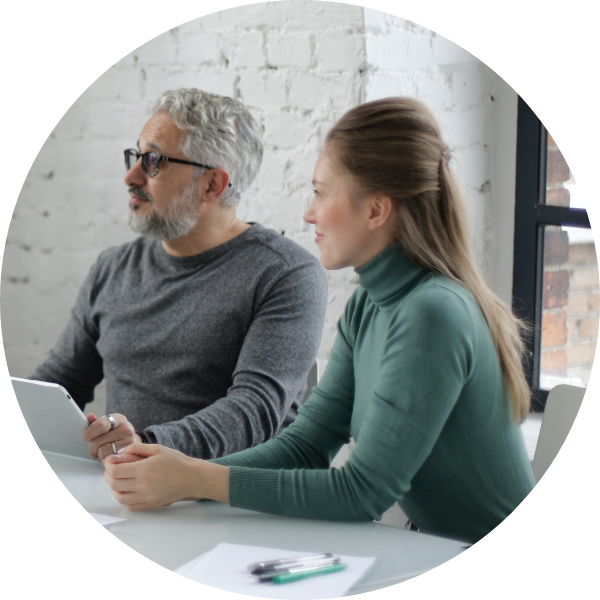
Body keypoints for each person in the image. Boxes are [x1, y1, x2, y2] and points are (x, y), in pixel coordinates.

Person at [102, 97, 535, 544]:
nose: (309, 213)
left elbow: (361, 493)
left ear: (375, 210)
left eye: (320, 191)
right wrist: (180, 475)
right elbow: (306, 446)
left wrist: (194, 480)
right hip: (428, 548)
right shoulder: (369, 304)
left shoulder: (433, 312)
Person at [31, 89, 327, 462]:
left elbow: (256, 410)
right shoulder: (113, 268)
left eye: (153, 160)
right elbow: (60, 383)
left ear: (212, 185)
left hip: (231, 503)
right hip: (127, 493)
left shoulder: (285, 274)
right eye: (136, 155)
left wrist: (145, 444)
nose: (131, 175)